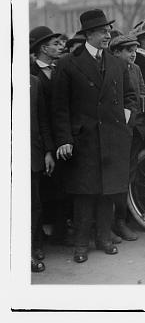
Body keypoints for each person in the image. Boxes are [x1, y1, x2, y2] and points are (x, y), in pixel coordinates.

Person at [51, 9, 138, 263]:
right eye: (102, 31)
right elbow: (59, 107)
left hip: (112, 137)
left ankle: (103, 238)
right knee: (84, 193)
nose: (108, 35)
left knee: (106, 192)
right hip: (84, 139)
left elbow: (131, 97)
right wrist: (65, 138)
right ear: (88, 34)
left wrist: (126, 119)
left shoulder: (117, 63)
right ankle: (80, 244)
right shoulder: (68, 63)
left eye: (109, 30)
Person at [29, 26, 71, 246]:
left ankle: (60, 232)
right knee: (44, 190)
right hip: (44, 141)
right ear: (43, 48)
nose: (60, 47)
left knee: (62, 186)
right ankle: (40, 236)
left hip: (62, 137)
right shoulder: (31, 73)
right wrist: (47, 147)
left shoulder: (59, 69)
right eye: (55, 44)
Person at [108, 34, 145, 242]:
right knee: (113, 179)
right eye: (128, 51)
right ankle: (110, 223)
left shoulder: (136, 70)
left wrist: (138, 125)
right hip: (114, 133)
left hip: (134, 131)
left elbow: (142, 97)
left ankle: (121, 221)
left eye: (134, 50)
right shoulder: (107, 69)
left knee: (127, 177)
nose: (133, 54)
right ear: (115, 52)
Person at [30, 75, 55, 272]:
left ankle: (33, 247)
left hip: (32, 154)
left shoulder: (34, 82)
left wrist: (48, 151)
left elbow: (42, 119)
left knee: (34, 205)